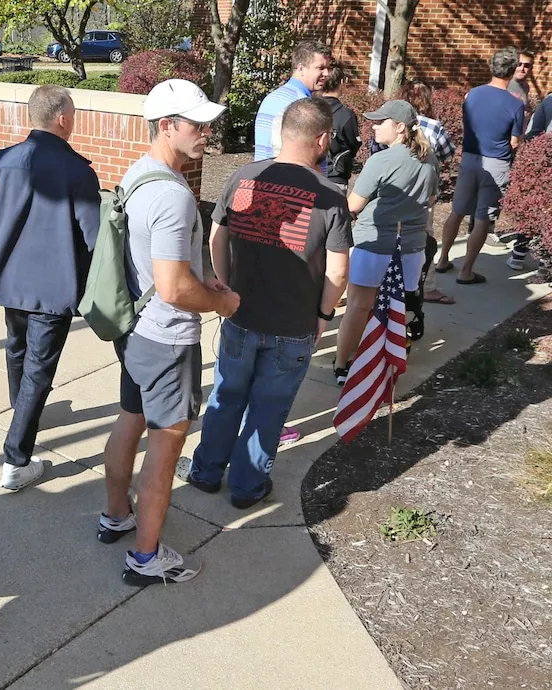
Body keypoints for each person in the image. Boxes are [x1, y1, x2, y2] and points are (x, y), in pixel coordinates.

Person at [177, 97, 352, 508]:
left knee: (226, 397)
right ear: (323, 140)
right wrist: (324, 315)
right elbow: (338, 272)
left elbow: (217, 237)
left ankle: (205, 472)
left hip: (240, 313)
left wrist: (224, 285)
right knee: (268, 410)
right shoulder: (330, 196)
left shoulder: (244, 178)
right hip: (293, 325)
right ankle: (246, 486)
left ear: (283, 133)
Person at [97, 80, 236, 585]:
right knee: (167, 442)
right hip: (169, 337)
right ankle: (146, 557)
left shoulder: (138, 175)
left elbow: (164, 268)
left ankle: (116, 515)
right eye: (197, 124)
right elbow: (175, 288)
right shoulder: (173, 197)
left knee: (129, 419)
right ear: (166, 126)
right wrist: (224, 301)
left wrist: (204, 277)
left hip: (135, 332)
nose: (207, 133)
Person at [0, 85, 100, 491]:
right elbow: (94, 238)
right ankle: (16, 459)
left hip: (9, 280)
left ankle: (20, 407)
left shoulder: (0, 161)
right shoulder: (77, 171)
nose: (73, 120)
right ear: (62, 119)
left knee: (17, 348)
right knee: (39, 368)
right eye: (72, 114)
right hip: (53, 287)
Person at [335, 100, 439, 382]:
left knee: (358, 306)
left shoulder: (380, 160)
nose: (374, 126)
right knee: (395, 308)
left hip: (375, 244)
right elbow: (431, 199)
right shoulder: (430, 158)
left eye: (381, 122)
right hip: (412, 247)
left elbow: (353, 205)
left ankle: (343, 365)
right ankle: (383, 363)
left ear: (400, 127)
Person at [434, 47, 526, 285]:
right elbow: (514, 142)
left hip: (469, 158)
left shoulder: (472, 94)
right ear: (513, 69)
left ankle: (443, 259)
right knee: (483, 216)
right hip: (496, 163)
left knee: (457, 211)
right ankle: (466, 271)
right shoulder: (515, 104)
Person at [371, 81, 458, 306]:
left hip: (390, 194)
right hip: (422, 196)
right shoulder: (434, 126)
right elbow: (449, 153)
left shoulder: (388, 127)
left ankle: (382, 283)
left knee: (385, 236)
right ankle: (422, 287)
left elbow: (376, 152)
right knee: (422, 241)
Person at [254, 41, 332, 162]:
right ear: (301, 69)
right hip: (290, 177)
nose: (326, 74)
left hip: (263, 175)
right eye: (320, 68)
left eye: (328, 68)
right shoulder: (302, 107)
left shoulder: (272, 98)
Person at [318, 64, 359, 191]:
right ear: (342, 82)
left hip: (311, 172)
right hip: (336, 176)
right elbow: (353, 145)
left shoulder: (309, 108)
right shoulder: (346, 115)